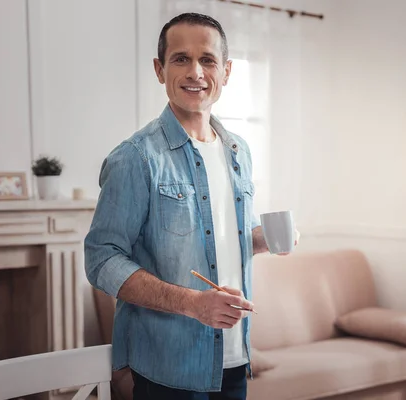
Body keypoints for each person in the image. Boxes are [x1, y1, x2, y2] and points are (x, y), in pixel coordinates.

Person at [84, 12, 297, 400]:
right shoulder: (135, 157)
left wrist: (262, 239)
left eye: (208, 59)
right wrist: (194, 304)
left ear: (226, 71)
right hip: (168, 367)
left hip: (233, 359)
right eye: (180, 58)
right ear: (159, 69)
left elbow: (224, 238)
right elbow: (101, 260)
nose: (195, 71)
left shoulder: (239, 152)